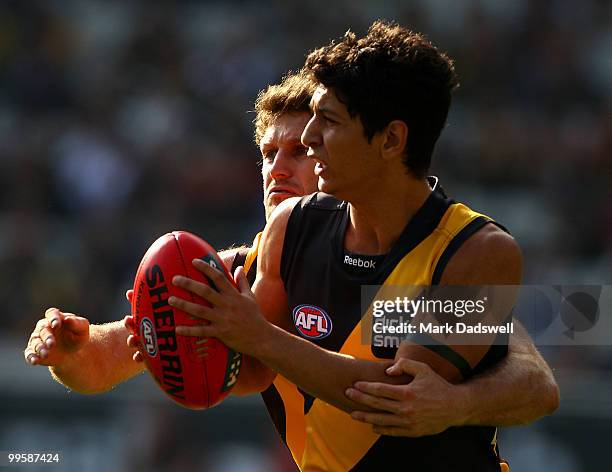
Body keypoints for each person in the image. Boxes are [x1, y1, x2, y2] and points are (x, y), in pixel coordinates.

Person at [24, 69, 557, 467]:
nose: (278, 167)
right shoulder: (240, 272)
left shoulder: (447, 254)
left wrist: (458, 403)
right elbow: (109, 359)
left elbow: (535, 374)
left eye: (300, 149)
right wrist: (72, 350)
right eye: (266, 152)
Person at [166, 22, 558, 471]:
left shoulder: (477, 249)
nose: (310, 138)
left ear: (391, 140)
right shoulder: (293, 226)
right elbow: (253, 369)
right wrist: (165, 338)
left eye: (328, 121)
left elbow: (395, 395)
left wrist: (257, 334)